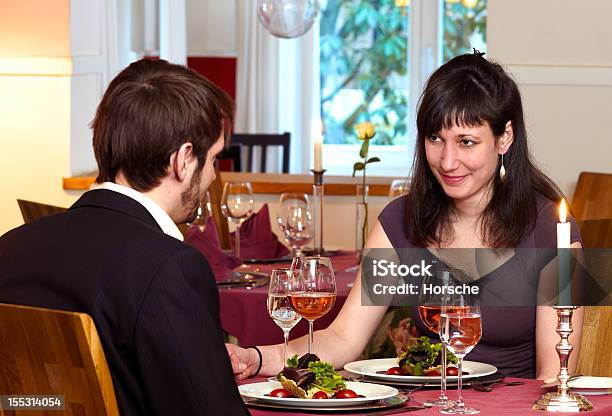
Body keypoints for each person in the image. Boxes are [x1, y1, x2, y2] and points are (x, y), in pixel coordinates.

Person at [227, 51, 583, 381]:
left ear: (504, 138)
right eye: (435, 138)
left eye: (467, 142)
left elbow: (553, 379)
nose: (447, 161)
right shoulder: (401, 222)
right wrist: (256, 358)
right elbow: (343, 338)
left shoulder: (551, 228)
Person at [0, 59, 249, 415]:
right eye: (213, 160)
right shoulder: (169, 267)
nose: (212, 176)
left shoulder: (10, 247)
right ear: (183, 160)